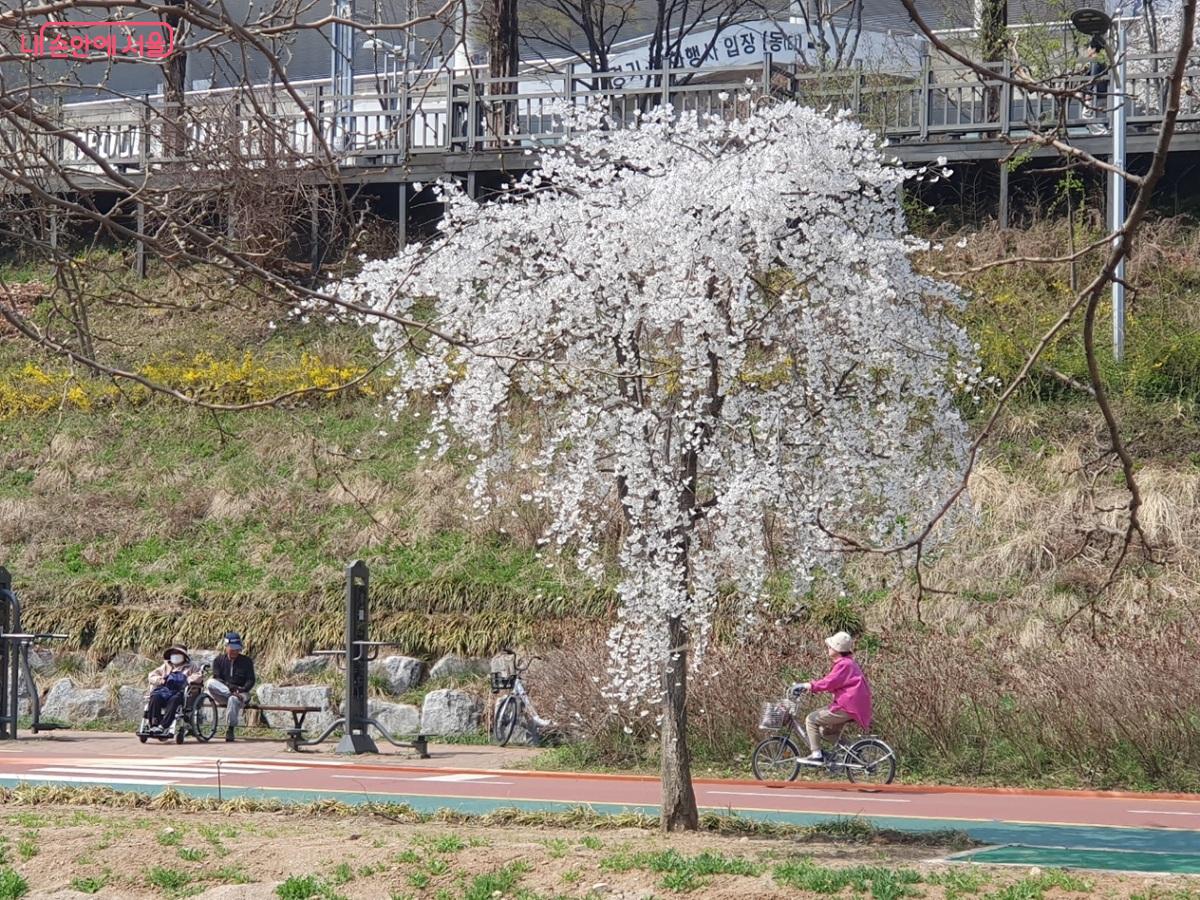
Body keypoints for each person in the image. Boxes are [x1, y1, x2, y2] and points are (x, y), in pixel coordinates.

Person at [792, 631, 872, 765]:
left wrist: (808, 685)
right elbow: (833, 684)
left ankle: (816, 754)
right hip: (853, 705)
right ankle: (854, 753)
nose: (828, 649)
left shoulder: (843, 665)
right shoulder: (848, 663)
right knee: (827, 732)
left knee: (811, 720)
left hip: (847, 706)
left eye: (830, 646)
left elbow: (829, 682)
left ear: (837, 649)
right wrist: (812, 687)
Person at [206, 631, 255, 742]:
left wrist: (242, 690)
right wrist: (230, 689)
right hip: (224, 692)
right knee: (210, 682)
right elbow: (217, 678)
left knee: (233, 699)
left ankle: (230, 729)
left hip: (241, 694)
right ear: (226, 647)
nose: (235, 651)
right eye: (232, 648)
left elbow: (251, 680)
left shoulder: (247, 661)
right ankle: (232, 694)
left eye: (237, 649)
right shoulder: (218, 660)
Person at [147, 646, 202, 733]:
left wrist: (187, 680)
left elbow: (198, 676)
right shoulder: (165, 666)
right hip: (165, 691)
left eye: (178, 654)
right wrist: (160, 680)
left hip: (180, 693)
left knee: (174, 700)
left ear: (183, 655)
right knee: (155, 697)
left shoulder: (191, 666)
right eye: (173, 654)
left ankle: (163, 726)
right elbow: (151, 675)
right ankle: (154, 724)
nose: (175, 656)